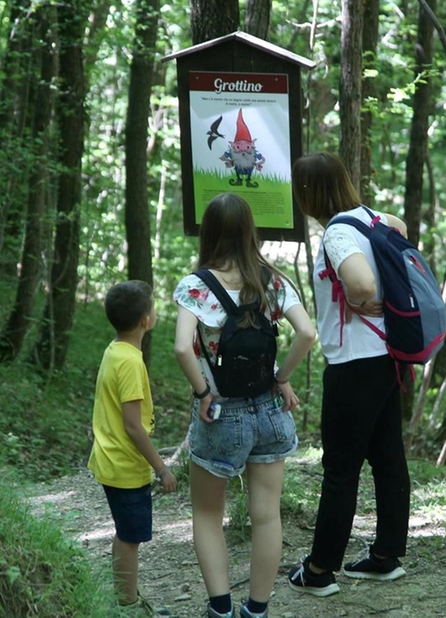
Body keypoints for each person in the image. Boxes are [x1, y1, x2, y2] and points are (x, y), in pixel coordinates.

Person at [173, 193, 317, 618]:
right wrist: (282, 377)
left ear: (210, 231)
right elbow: (307, 333)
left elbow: (182, 346)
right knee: (266, 517)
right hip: (271, 410)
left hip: (222, 415)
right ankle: (256, 611)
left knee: (206, 513)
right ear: (250, 230)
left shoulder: (196, 285)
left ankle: (220, 610)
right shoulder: (272, 280)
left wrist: (203, 393)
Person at [286, 152, 411, 597]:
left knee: (340, 469)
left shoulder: (338, 231)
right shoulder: (374, 218)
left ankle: (320, 570)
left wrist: (359, 298)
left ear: (307, 193)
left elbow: (360, 284)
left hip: (354, 365)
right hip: (388, 358)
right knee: (387, 456)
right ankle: (386, 556)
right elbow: (402, 229)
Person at [89, 280, 179, 616]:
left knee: (126, 534)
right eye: (153, 307)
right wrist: (162, 468)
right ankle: (127, 606)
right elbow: (132, 425)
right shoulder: (130, 362)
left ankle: (125, 598)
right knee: (130, 538)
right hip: (126, 467)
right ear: (145, 320)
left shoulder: (115, 350)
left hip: (113, 461)